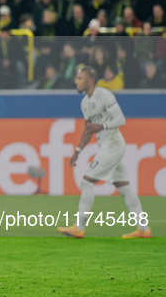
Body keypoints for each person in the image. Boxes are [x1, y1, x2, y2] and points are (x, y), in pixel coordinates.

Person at [57, 67, 151, 238]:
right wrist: (78, 150)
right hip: (107, 146)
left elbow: (121, 119)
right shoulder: (85, 102)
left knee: (87, 182)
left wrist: (101, 127)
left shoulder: (104, 95)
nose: (76, 82)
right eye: (76, 78)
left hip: (113, 144)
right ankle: (144, 229)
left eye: (80, 78)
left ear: (90, 79)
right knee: (124, 188)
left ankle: (79, 227)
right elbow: (88, 129)